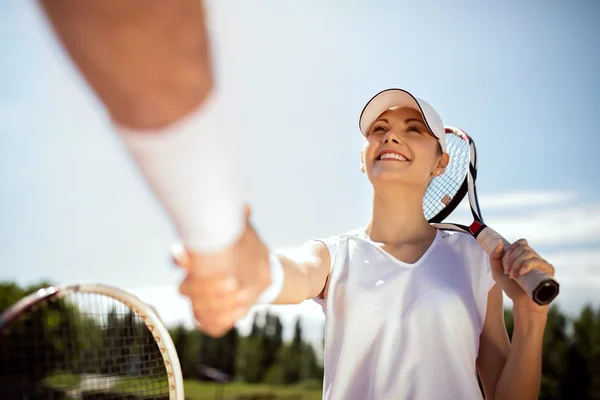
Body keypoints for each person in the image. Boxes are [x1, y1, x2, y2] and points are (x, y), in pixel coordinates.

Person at [173, 88, 554, 399]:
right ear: (362, 157)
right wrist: (256, 272)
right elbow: (295, 273)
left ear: (441, 162)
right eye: (379, 128)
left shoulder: (475, 258)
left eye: (414, 129)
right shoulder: (333, 255)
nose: (391, 135)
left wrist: (531, 317)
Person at [36, 0, 275, 337]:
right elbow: (284, 275)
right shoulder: (336, 255)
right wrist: (224, 278)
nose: (381, 139)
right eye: (377, 129)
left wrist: (220, 250)